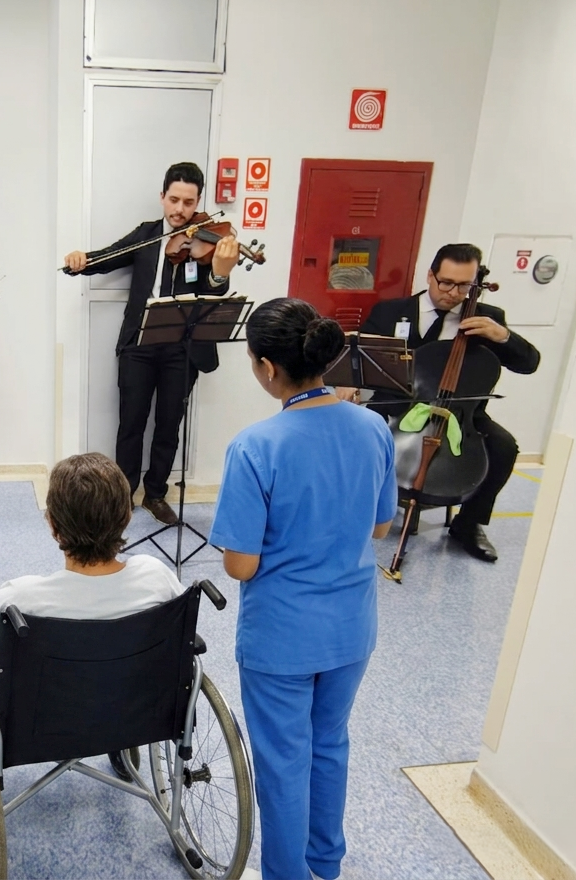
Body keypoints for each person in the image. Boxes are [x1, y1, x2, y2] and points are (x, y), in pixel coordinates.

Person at [210, 298, 397, 880]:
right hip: (350, 629)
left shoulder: (256, 446)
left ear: (267, 368)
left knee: (283, 762)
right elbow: (379, 526)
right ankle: (325, 863)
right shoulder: (371, 427)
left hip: (283, 639)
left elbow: (240, 566)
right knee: (329, 743)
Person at [0, 452, 184, 778]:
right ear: (126, 515)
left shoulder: (21, 602)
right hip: (133, 712)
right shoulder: (157, 576)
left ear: (53, 525)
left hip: (38, 728)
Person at [339, 242, 541, 562]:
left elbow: (529, 363)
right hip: (397, 404)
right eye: (446, 282)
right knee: (353, 432)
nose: (453, 293)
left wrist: (502, 336)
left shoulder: (487, 317)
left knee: (504, 446)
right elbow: (360, 359)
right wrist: (347, 386)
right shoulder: (391, 311)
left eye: (464, 285)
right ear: (430, 276)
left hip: (459, 412)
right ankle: (357, 509)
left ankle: (468, 524)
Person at [63, 162, 240, 525]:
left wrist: (220, 272)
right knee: (131, 420)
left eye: (188, 203)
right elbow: (107, 257)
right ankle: (124, 492)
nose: (180, 210)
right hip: (138, 345)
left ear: (198, 202)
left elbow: (213, 294)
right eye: (174, 199)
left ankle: (156, 493)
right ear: (162, 197)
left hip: (183, 347)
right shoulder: (147, 236)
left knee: (168, 423)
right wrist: (81, 261)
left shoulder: (208, 240)